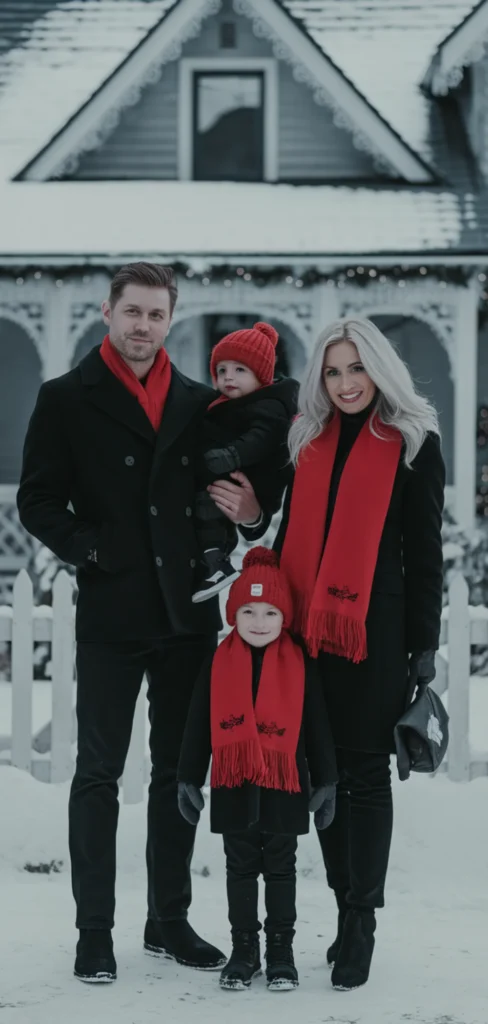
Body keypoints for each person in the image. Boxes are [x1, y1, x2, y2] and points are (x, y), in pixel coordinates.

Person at [16, 262, 267, 984]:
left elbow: (238, 497)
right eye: (133, 312)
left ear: (170, 320)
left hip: (185, 614)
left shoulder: (198, 402)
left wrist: (251, 514)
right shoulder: (66, 399)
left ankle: (168, 920)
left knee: (177, 774)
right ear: (108, 311)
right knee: (97, 773)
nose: (143, 327)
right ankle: (95, 929)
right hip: (110, 613)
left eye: (157, 316)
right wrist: (92, 548)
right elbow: (38, 501)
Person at [273, 317, 445, 992]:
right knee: (324, 768)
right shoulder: (306, 441)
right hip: (307, 632)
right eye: (333, 371)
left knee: (366, 776)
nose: (345, 384)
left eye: (356, 369)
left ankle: (360, 919)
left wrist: (423, 647)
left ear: (379, 370)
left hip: (375, 633)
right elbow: (288, 531)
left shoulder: (412, 443)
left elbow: (423, 553)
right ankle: (346, 908)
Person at [177, 547, 337, 992]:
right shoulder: (218, 661)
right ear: (233, 613)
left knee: (281, 868)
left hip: (285, 785)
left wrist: (326, 780)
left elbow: (318, 725)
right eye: (248, 610)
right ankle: (244, 950)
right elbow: (197, 724)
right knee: (240, 867)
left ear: (284, 615)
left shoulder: (301, 664)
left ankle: (281, 952)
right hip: (234, 783)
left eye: (270, 611)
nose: (259, 621)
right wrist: (188, 776)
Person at [192, 321, 298, 603]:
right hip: (232, 476)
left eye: (240, 370)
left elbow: (259, 439)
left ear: (261, 376)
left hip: (255, 479)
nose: (228, 377)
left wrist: (229, 456)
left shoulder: (271, 406)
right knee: (206, 509)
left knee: (208, 507)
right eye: (222, 370)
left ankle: (217, 562)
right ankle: (213, 560)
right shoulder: (223, 404)